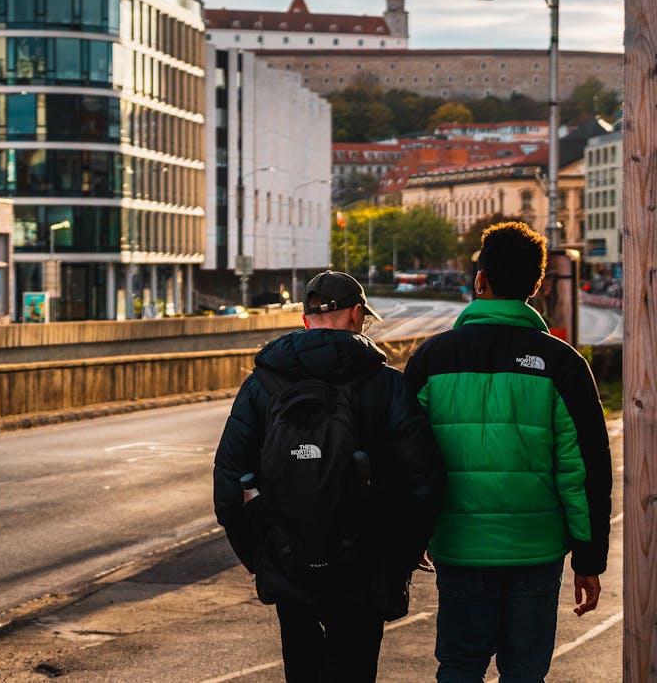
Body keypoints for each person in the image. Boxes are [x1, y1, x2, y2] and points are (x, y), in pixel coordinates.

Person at [214, 271, 445, 683]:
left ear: (306, 320)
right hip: (366, 567)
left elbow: (230, 483)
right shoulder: (387, 386)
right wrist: (403, 556)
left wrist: (262, 558)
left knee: (302, 671)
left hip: (289, 562)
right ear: (357, 315)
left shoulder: (261, 385)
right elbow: (422, 482)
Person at [405, 221, 612, 681]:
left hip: (459, 549)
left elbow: (406, 460)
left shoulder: (431, 360)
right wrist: (588, 559)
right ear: (536, 285)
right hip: (535, 552)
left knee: (459, 667)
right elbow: (585, 470)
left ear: (480, 281)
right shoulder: (563, 365)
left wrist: (411, 535)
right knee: (525, 671)